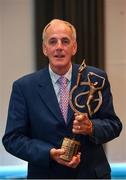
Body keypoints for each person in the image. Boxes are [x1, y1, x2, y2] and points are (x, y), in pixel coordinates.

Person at [2, 19, 122, 179]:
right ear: (45, 49)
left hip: (90, 175)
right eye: (52, 41)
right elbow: (12, 139)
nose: (59, 47)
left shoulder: (95, 78)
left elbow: (114, 125)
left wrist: (91, 127)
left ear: (74, 47)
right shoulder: (24, 87)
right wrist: (49, 153)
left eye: (65, 41)